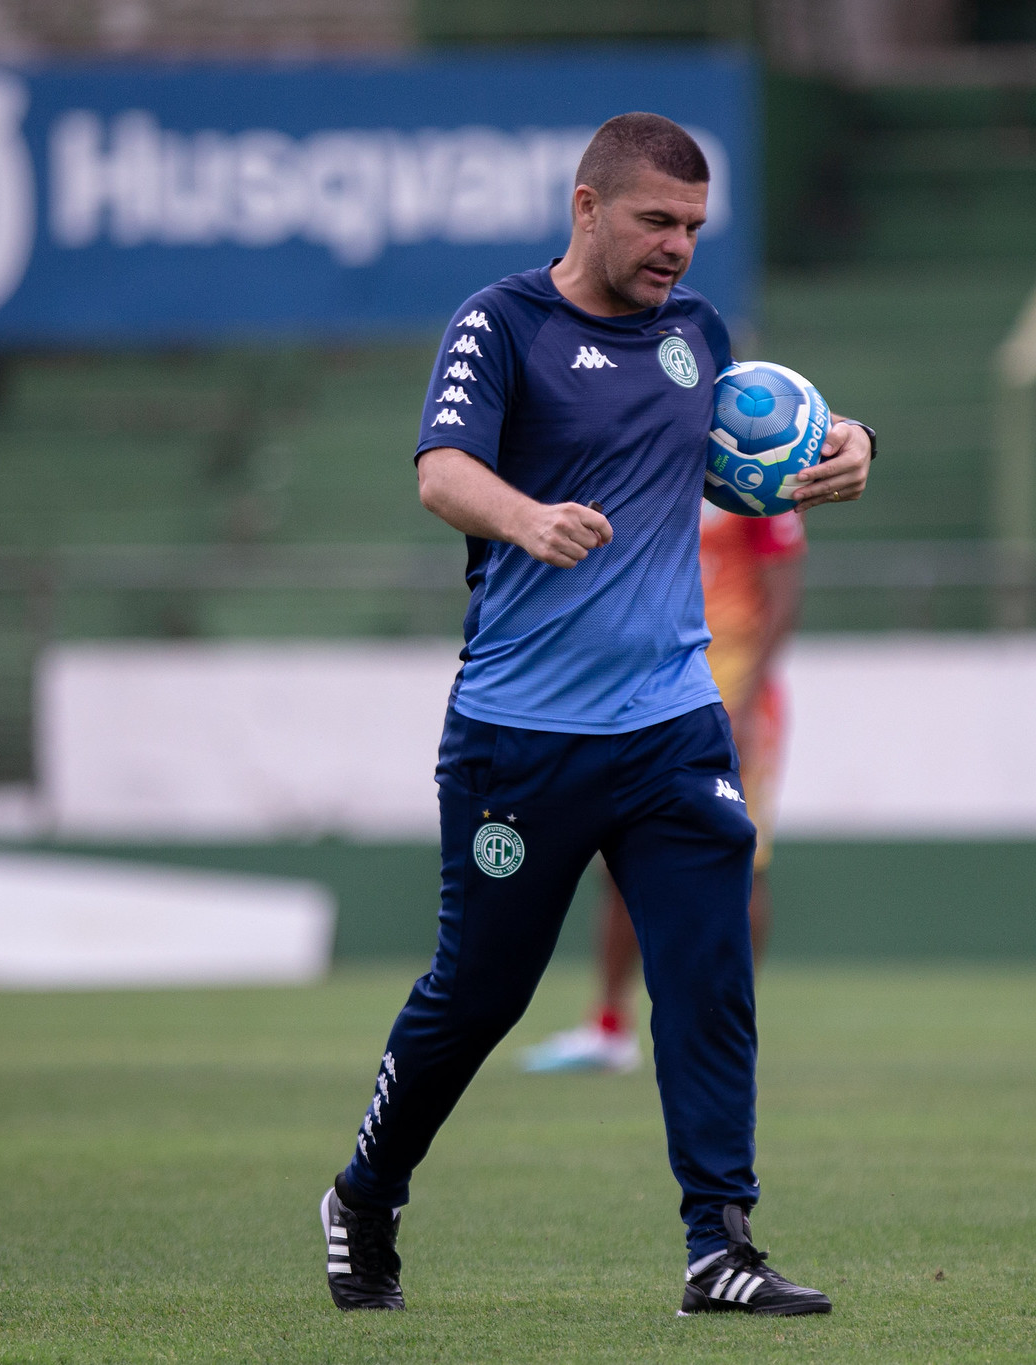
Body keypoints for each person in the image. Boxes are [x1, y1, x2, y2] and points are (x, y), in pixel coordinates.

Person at [319, 112, 872, 1318]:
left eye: (693, 226)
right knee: (478, 995)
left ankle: (718, 1246)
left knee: (708, 977)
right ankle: (365, 1193)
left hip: (672, 723)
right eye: (655, 220)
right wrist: (524, 517)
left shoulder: (696, 334)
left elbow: (748, 451)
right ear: (586, 207)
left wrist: (849, 443)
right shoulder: (501, 322)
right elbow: (440, 472)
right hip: (520, 733)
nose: (677, 246)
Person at [522, 503, 805, 1074]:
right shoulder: (647, 469)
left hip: (732, 691)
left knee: (740, 861)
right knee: (619, 856)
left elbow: (784, 592)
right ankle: (608, 1027)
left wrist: (749, 702)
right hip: (647, 691)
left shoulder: (753, 469)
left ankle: (728, 1027)